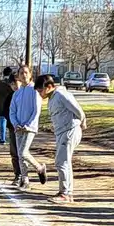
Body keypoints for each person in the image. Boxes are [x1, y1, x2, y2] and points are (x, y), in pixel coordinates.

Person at [46, 74, 85, 202]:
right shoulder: (52, 98)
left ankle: (65, 193)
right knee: (64, 162)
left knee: (61, 162)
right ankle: (67, 192)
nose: (40, 93)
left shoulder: (61, 95)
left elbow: (78, 110)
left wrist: (82, 121)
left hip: (70, 131)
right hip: (61, 132)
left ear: (49, 86)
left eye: (40, 90)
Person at [8, 71, 50, 189]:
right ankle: (25, 179)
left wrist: (28, 124)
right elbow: (12, 111)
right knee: (20, 155)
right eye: (21, 73)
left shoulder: (34, 90)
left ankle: (39, 168)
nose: (23, 75)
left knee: (23, 152)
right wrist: (15, 123)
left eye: (26, 72)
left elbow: (36, 111)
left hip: (29, 128)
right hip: (18, 127)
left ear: (30, 74)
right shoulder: (17, 93)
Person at [0, 67, 16, 144]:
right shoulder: (13, 83)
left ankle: (2, 138)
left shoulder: (1, 83)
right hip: (11, 105)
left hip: (1, 105)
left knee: (2, 122)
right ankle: (12, 138)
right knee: (12, 123)